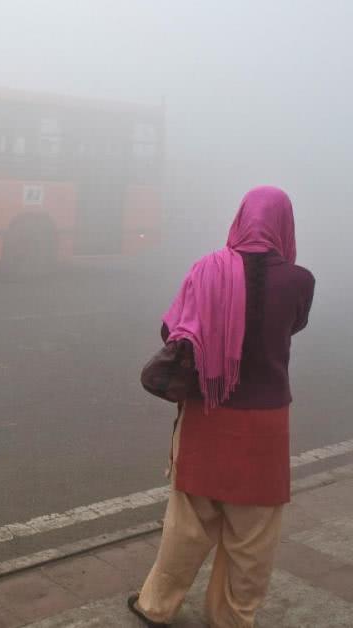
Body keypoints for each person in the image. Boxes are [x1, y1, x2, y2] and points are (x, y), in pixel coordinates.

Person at [128, 186, 315, 628]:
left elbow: (170, 332)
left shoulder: (206, 269)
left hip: (207, 414)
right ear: (284, 224)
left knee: (187, 524)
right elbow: (295, 325)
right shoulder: (300, 280)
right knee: (252, 537)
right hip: (265, 423)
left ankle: (156, 606)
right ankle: (231, 619)